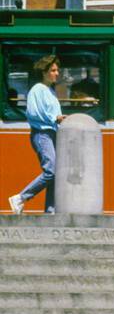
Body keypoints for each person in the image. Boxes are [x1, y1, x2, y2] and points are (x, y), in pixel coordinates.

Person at [8, 54, 64, 215]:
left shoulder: (51, 92)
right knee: (51, 171)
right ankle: (20, 198)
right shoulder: (37, 90)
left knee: (54, 174)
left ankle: (50, 211)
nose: (57, 73)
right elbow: (33, 113)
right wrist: (56, 118)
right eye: (53, 70)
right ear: (44, 72)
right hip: (42, 135)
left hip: (51, 134)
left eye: (57, 70)